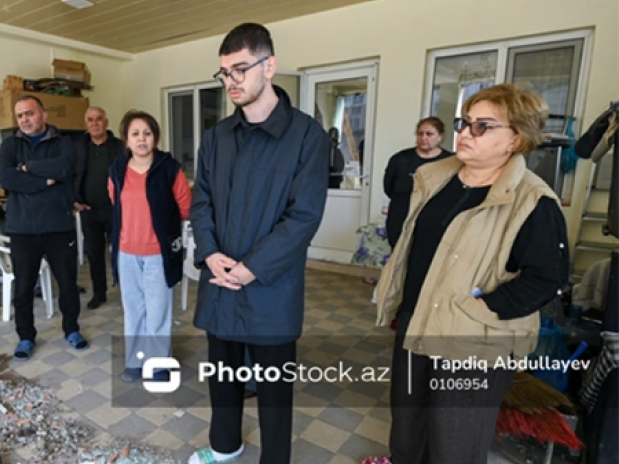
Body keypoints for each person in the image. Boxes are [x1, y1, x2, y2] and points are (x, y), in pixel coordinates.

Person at [367, 84, 569, 464]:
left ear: (515, 139)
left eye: (483, 126)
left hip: (473, 340)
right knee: (408, 435)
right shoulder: (436, 177)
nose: (465, 132)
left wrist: (478, 309)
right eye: (465, 123)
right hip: (417, 322)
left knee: (454, 445)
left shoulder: (534, 200)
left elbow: (547, 278)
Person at [189, 23, 330, 464]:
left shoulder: (307, 136)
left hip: (271, 284)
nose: (231, 81)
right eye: (224, 73)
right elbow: (201, 202)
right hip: (220, 278)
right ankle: (224, 445)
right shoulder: (215, 138)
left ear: (269, 66)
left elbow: (303, 216)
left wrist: (251, 268)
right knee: (222, 373)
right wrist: (210, 254)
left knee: (273, 386)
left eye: (240, 69)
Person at [0, 95, 89, 362]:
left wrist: (27, 168)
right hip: (22, 229)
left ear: (44, 115)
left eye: (30, 113)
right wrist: (45, 181)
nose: (25, 119)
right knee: (23, 287)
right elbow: (6, 178)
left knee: (68, 284)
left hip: (59, 226)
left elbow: (65, 167)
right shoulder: (10, 145)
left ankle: (72, 329)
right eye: (20, 115)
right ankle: (26, 337)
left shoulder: (63, 143)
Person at [107, 110, 191, 382]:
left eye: (147, 133)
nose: (141, 139)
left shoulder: (170, 169)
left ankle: (158, 365)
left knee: (158, 310)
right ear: (126, 140)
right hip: (126, 252)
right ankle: (135, 360)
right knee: (133, 308)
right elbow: (115, 203)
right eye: (135, 134)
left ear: (155, 137)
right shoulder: (117, 170)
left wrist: (161, 227)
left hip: (158, 253)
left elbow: (185, 207)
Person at [74, 107, 125, 310]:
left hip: (116, 210)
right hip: (88, 210)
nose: (95, 123)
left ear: (106, 122)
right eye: (90, 120)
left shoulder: (120, 147)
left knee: (121, 253)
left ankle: (126, 290)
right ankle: (99, 293)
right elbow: (69, 174)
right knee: (94, 254)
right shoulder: (78, 147)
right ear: (86, 123)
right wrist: (73, 199)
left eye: (99, 119)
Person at [382, 117, 453, 248]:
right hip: (400, 219)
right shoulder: (400, 159)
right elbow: (388, 187)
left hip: (434, 223)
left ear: (440, 136)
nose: (424, 138)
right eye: (420, 133)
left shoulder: (451, 162)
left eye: (429, 134)